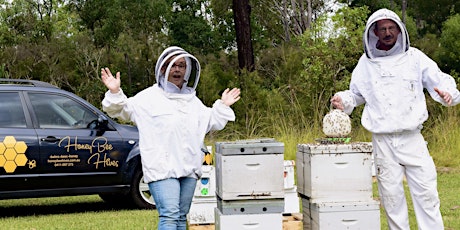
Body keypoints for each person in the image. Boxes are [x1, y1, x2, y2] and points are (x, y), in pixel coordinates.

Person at [330, 8, 460, 230]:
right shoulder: (365, 63)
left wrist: (449, 94)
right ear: (375, 32)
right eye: (383, 29)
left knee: (427, 195)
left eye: (392, 28)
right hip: (383, 142)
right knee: (391, 198)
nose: (388, 33)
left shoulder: (416, 58)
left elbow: (440, 82)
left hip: (413, 138)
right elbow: (356, 95)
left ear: (400, 31)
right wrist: (342, 99)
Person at [100, 46, 241, 230]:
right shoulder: (148, 98)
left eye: (181, 65)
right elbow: (121, 110)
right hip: (162, 168)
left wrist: (222, 105)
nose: (177, 69)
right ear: (163, 69)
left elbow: (210, 121)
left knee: (181, 218)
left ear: (187, 70)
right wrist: (115, 92)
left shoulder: (192, 101)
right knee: (170, 215)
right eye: (172, 65)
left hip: (189, 167)